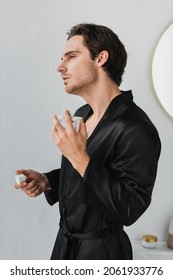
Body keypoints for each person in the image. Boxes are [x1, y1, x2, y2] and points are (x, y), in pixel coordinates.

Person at [15, 23, 161, 260]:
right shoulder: (83, 114)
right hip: (64, 248)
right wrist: (48, 181)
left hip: (102, 255)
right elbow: (89, 173)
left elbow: (129, 208)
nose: (60, 67)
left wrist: (77, 156)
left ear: (101, 58)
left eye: (71, 57)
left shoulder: (136, 128)